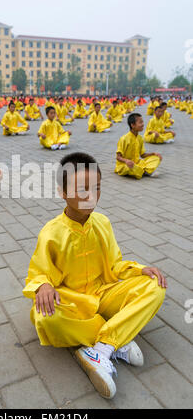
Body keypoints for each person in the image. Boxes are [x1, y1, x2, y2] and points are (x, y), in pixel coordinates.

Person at [23, 152, 167, 399]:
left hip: (103, 293)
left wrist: (140, 270)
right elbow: (39, 273)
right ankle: (117, 337)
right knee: (46, 318)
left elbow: (116, 265)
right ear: (62, 192)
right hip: (73, 303)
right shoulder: (51, 233)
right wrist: (43, 286)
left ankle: (100, 349)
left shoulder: (103, 222)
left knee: (155, 286)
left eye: (97, 187)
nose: (91, 195)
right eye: (82, 188)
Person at [115, 113, 162, 179]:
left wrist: (154, 154)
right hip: (125, 165)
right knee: (129, 167)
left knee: (156, 158)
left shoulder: (140, 138)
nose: (142, 124)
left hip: (137, 163)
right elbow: (118, 157)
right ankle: (146, 171)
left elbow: (142, 155)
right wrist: (126, 161)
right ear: (133, 125)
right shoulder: (124, 139)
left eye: (142, 122)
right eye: (140, 122)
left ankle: (142, 171)